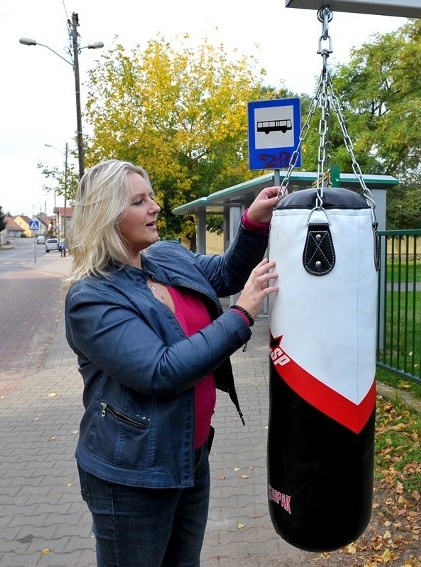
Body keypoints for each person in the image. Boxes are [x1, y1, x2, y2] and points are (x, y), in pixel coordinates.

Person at [64, 159, 279, 567]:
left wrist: (252, 222)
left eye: (151, 196)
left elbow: (227, 273)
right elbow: (161, 371)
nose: (155, 207)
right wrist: (242, 316)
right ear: (108, 217)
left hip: (189, 453)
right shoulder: (92, 297)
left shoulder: (165, 257)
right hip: (134, 474)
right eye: (139, 201)